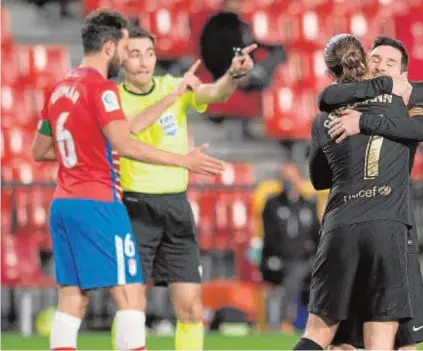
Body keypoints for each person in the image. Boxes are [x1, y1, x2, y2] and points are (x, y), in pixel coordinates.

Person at [31, 10, 224, 350]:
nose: (126, 54)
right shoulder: (103, 90)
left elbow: (40, 150)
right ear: (108, 46)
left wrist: (170, 98)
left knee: (72, 299)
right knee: (131, 298)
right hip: (100, 203)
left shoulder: (60, 89)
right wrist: (183, 161)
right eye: (123, 47)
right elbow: (125, 142)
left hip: (63, 204)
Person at [116, 25, 256, 351]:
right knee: (131, 307)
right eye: (135, 54)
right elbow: (130, 135)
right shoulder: (114, 99)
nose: (144, 61)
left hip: (176, 208)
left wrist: (232, 77)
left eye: (149, 53)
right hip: (135, 208)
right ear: (121, 58)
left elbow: (214, 93)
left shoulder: (169, 83)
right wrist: (173, 100)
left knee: (191, 308)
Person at [293, 33, 423, 350]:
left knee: (320, 333)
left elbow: (318, 179)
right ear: (365, 61)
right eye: (377, 59)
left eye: (390, 62)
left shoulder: (323, 118)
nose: (382, 66)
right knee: (385, 337)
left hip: (339, 226)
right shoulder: (404, 106)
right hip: (389, 227)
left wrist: (359, 126)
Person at [260, 162, 320, 332]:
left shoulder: (308, 204)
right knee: (288, 277)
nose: (287, 181)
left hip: (304, 259)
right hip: (279, 258)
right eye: (284, 177)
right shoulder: (272, 204)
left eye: (290, 177)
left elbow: (316, 233)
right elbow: (269, 235)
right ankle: (282, 322)